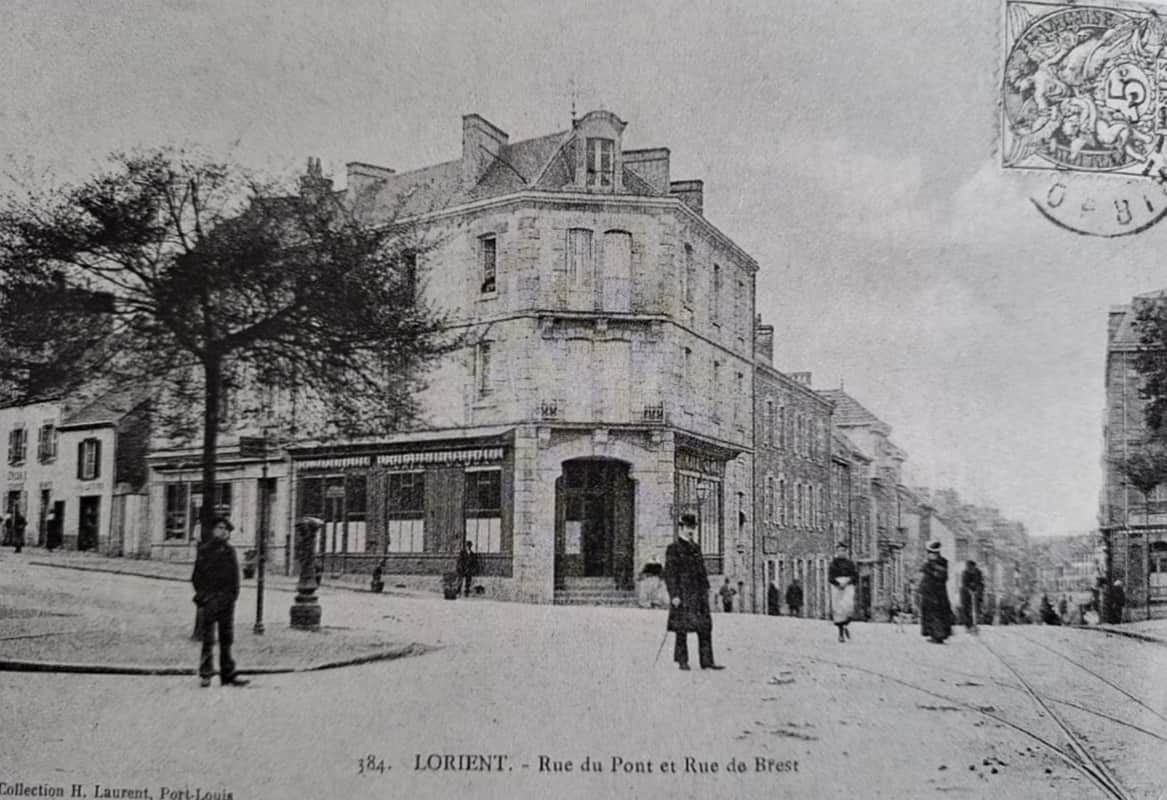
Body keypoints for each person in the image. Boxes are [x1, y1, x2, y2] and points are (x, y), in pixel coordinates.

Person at [191, 516, 248, 688]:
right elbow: (196, 577)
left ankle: (227, 674)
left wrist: (232, 596)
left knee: (226, 638)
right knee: (208, 638)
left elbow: (235, 577)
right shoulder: (205, 550)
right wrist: (204, 597)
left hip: (226, 600)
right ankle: (206, 673)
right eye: (220, 528)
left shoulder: (230, 551)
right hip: (210, 599)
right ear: (213, 530)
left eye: (226, 529)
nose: (223, 531)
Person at [664, 513, 723, 671]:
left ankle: (707, 661)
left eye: (693, 527)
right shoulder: (673, 549)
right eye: (688, 527)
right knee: (681, 628)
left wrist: (707, 588)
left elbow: (701, 571)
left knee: (705, 626)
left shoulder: (696, 548)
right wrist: (674, 595)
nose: (691, 530)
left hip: (699, 593)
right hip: (683, 593)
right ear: (681, 528)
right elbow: (670, 574)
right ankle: (682, 661)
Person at [919, 540, 954, 643]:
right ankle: (933, 634)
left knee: (938, 613)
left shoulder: (942, 562)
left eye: (931, 553)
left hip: (938, 593)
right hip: (929, 592)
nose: (930, 555)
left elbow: (942, 576)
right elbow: (924, 578)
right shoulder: (928, 563)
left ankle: (938, 635)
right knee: (930, 613)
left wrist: (929, 570)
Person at [828, 542, 858, 642]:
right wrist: (837, 584)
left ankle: (846, 624)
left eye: (843, 551)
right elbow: (830, 577)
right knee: (839, 610)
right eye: (839, 551)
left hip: (848, 586)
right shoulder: (833, 564)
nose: (841, 553)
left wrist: (848, 582)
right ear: (837, 552)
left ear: (846, 552)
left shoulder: (850, 564)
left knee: (848, 607)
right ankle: (841, 633)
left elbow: (855, 576)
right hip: (837, 587)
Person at [959, 560, 985, 632]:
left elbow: (981, 582)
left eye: (971, 567)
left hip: (976, 593)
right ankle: (968, 625)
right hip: (966, 594)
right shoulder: (965, 573)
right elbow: (964, 583)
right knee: (966, 609)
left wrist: (978, 589)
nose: (969, 568)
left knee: (976, 609)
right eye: (968, 567)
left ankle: (975, 623)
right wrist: (968, 589)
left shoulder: (978, 573)